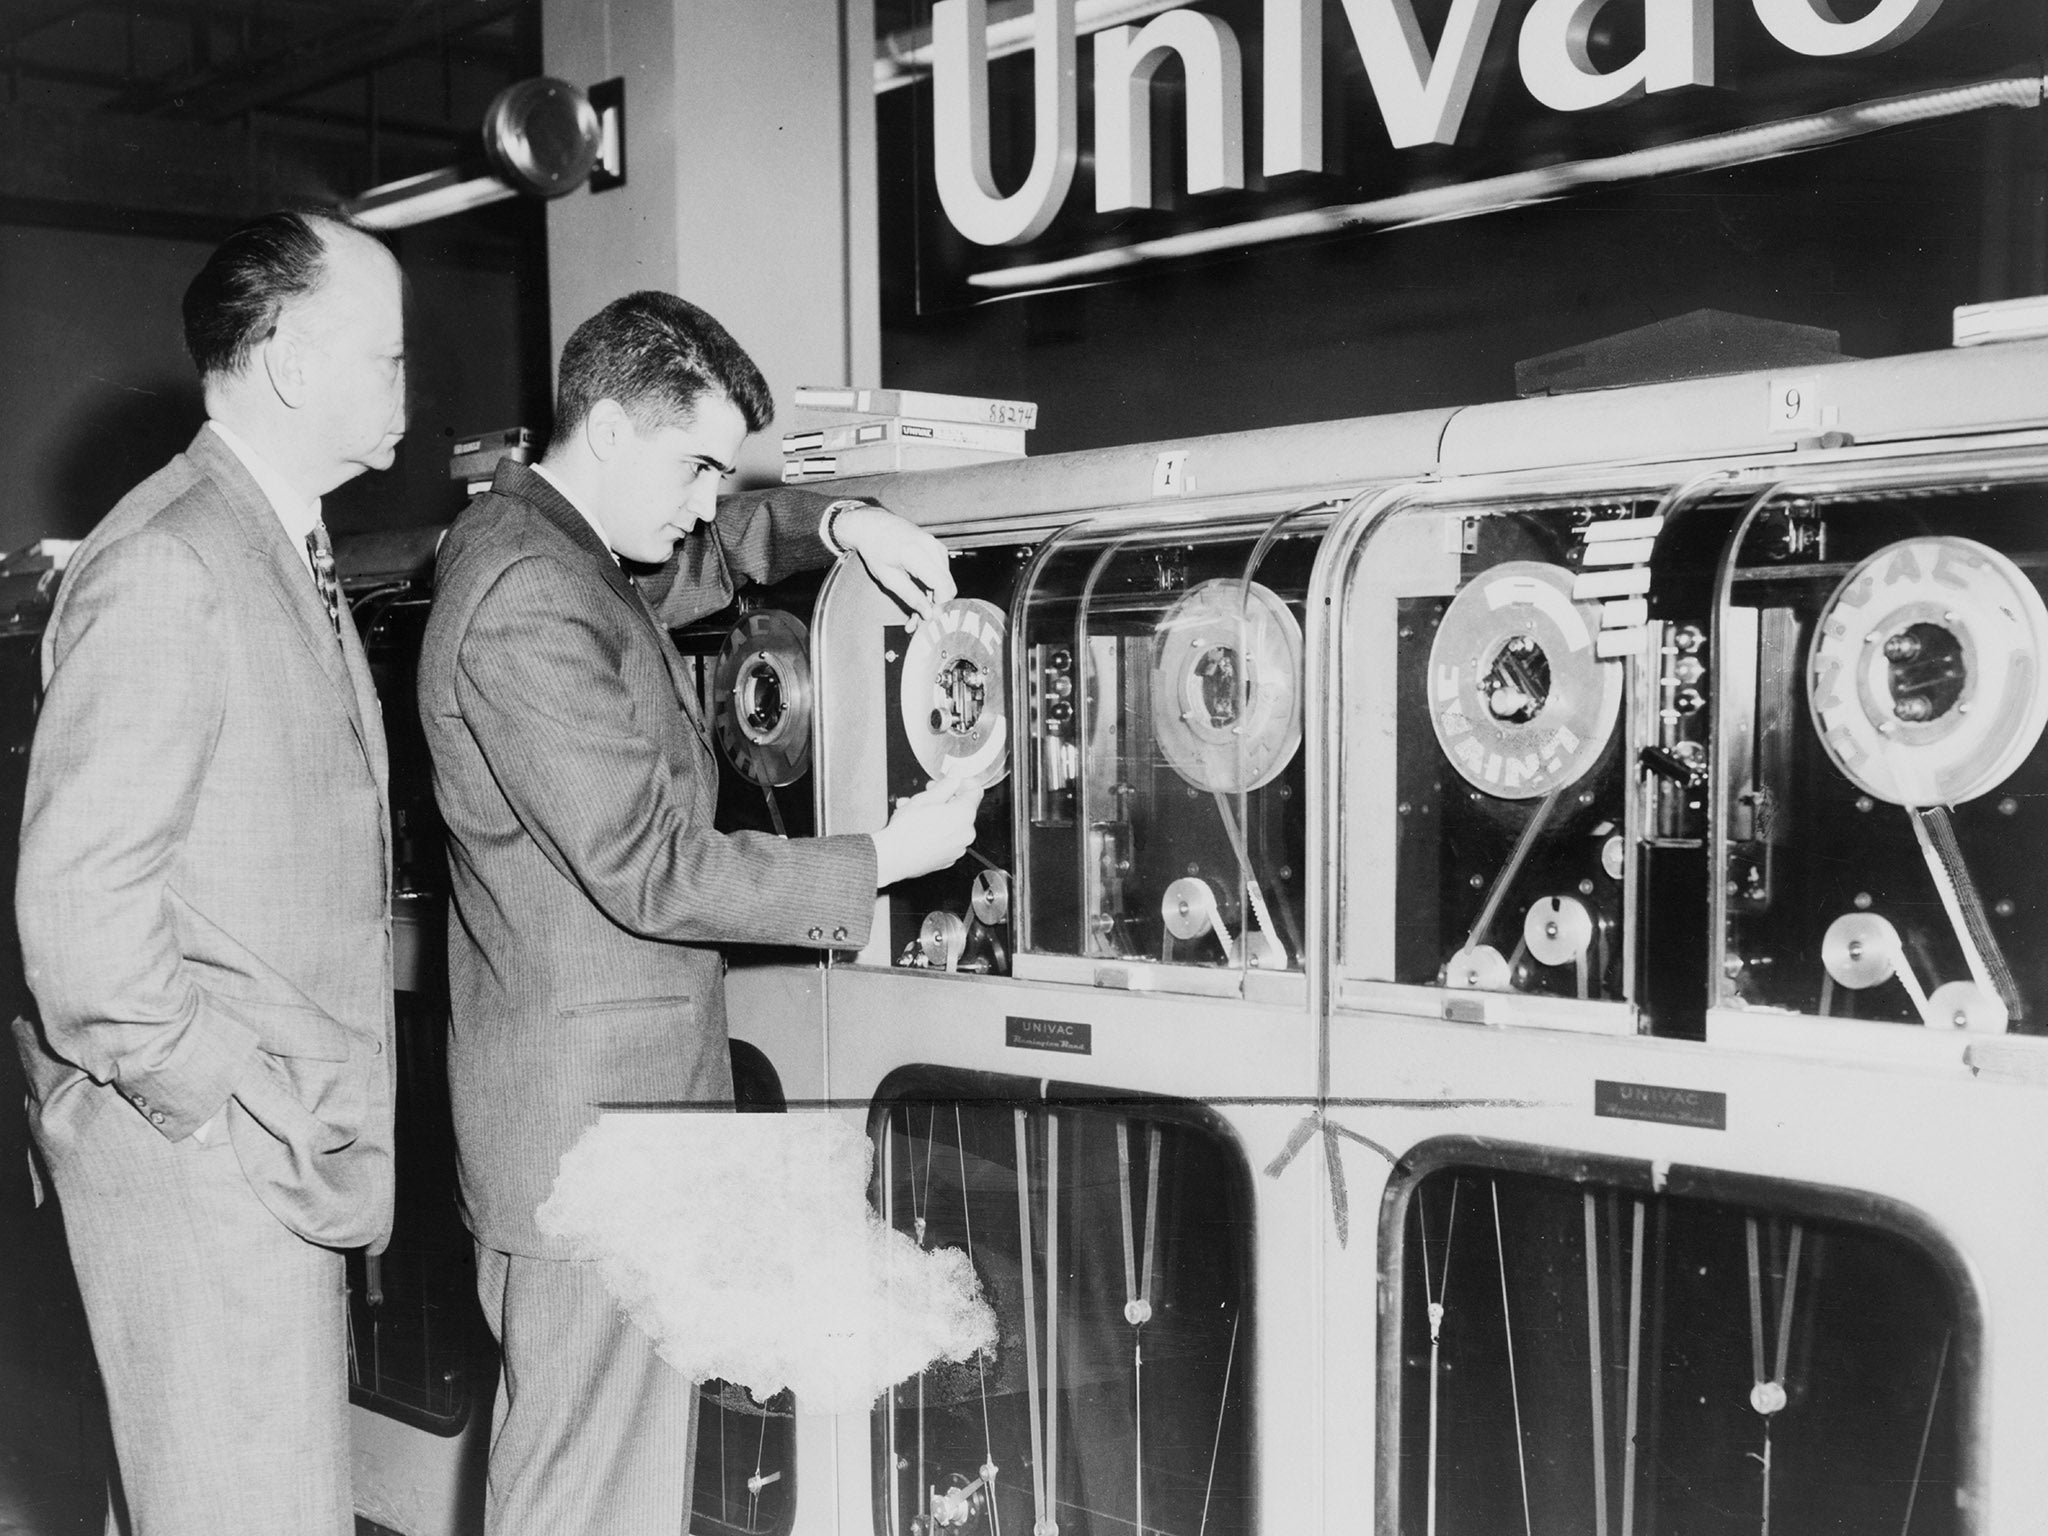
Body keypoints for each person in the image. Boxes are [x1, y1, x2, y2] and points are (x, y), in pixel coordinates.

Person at [418, 289, 980, 1534]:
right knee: (579, 1497)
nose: (703, 500)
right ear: (610, 431)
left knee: (619, 1493)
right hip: (584, 1147)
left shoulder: (561, 552)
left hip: (619, 1130)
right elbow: (647, 863)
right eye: (696, 466)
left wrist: (844, 521)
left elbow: (719, 550)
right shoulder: (528, 592)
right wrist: (880, 856)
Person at [13, 210, 407, 1533]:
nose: (409, 384)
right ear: (291, 363)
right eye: (388, 356)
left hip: (254, 1163)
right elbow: (78, 921)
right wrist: (236, 1102)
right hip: (212, 1170)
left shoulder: (263, 542)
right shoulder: (172, 563)